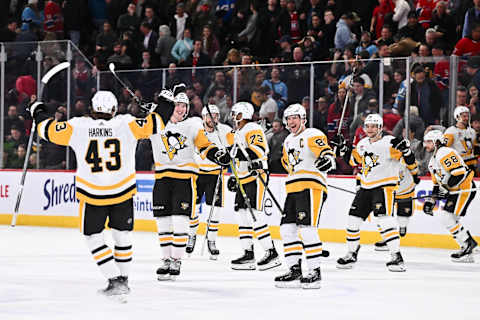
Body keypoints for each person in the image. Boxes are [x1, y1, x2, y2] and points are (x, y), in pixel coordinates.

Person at [29, 91, 160, 300]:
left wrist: (38, 110)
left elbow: (47, 131)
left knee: (93, 237)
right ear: (115, 109)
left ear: (92, 108)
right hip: (122, 191)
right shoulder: (127, 123)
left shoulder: (78, 126)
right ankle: (123, 279)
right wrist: (154, 109)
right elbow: (156, 125)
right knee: (122, 235)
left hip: (93, 194)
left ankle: (114, 279)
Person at [149, 90, 230, 280]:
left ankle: (176, 260)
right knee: (163, 223)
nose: (181, 108)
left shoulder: (193, 125)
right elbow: (139, 128)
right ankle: (166, 259)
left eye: (184, 105)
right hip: (161, 179)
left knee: (180, 221)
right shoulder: (156, 122)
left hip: (183, 180)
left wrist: (217, 155)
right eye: (177, 104)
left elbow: (204, 146)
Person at [332, 113, 417, 272]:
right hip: (365, 187)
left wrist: (406, 151)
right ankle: (351, 253)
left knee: (385, 221)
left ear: (380, 128)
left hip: (384, 187)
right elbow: (354, 160)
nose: (370, 129)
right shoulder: (363, 143)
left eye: (373, 126)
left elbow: (410, 160)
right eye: (367, 126)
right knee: (352, 221)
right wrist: (343, 148)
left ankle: (396, 256)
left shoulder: (390, 142)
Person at [274, 104, 335, 289]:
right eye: (289, 118)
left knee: (307, 229)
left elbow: (325, 151)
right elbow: (287, 163)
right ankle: (294, 269)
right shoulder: (287, 141)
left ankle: (315, 271)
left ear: (303, 119)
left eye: (295, 117)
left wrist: (328, 159)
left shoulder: (312, 134)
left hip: (310, 187)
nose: (292, 121)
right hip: (293, 188)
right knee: (286, 230)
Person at [227, 102, 281, 271]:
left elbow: (259, 149)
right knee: (241, 214)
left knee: (255, 214)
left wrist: (237, 154)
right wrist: (235, 175)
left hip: (255, 176)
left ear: (243, 114)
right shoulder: (238, 132)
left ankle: (271, 252)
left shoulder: (252, 128)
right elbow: (238, 156)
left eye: (236, 113)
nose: (233, 116)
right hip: (243, 177)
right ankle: (248, 254)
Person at [422, 130, 478, 262]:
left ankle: (468, 244)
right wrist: (431, 201)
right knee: (451, 219)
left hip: (463, 188)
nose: (426, 145)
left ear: (437, 142)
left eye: (429, 142)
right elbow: (437, 185)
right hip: (456, 190)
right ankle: (468, 248)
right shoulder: (432, 161)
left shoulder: (445, 152)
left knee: (447, 217)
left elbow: (459, 173)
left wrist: (446, 189)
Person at [187, 105, 234, 260]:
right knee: (193, 208)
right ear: (203, 117)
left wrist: (229, 157)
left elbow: (234, 147)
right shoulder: (196, 130)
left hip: (216, 175)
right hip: (197, 174)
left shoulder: (225, 130)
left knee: (215, 211)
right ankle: (191, 236)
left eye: (215, 115)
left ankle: (212, 241)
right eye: (209, 116)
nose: (212, 119)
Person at [444, 106, 479, 172]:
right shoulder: (450, 131)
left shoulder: (472, 131)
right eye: (464, 116)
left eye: (467, 116)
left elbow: (474, 149)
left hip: (471, 165)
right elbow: (444, 149)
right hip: (458, 165)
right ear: (457, 117)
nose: (466, 118)